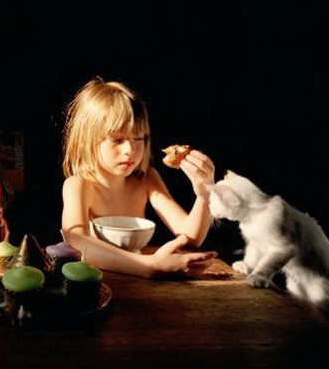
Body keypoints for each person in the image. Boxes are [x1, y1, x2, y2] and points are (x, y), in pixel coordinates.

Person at [60, 77, 218, 278]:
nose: (130, 149)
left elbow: (191, 236)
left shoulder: (146, 179)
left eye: (138, 138)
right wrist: (150, 266)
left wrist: (204, 193)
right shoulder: (79, 185)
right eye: (117, 139)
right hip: (99, 281)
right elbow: (76, 241)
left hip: (138, 281)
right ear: (87, 141)